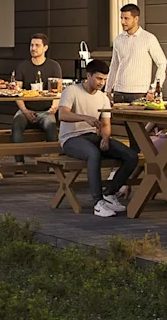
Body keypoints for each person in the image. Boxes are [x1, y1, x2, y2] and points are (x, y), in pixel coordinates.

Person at [56, 59, 138, 218]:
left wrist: (106, 139)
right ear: (88, 75)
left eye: (105, 79)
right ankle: (97, 202)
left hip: (92, 137)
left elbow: (106, 123)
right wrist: (83, 118)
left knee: (131, 156)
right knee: (94, 154)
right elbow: (62, 114)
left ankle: (109, 193)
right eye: (99, 78)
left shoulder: (103, 98)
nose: (102, 83)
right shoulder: (72, 91)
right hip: (71, 139)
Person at [10, 33, 63, 163]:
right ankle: (19, 162)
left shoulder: (54, 66)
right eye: (32, 45)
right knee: (17, 124)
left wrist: (54, 106)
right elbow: (17, 92)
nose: (33, 48)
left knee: (51, 125)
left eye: (37, 45)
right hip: (27, 108)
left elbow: (59, 90)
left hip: (46, 110)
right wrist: (25, 111)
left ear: (45, 48)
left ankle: (52, 162)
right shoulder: (22, 66)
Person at [106, 4, 167, 104]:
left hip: (140, 93)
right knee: (116, 120)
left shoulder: (149, 38)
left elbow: (162, 64)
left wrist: (154, 89)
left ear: (136, 19)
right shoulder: (118, 39)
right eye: (121, 18)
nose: (122, 22)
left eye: (126, 18)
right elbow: (114, 66)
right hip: (118, 92)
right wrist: (108, 90)